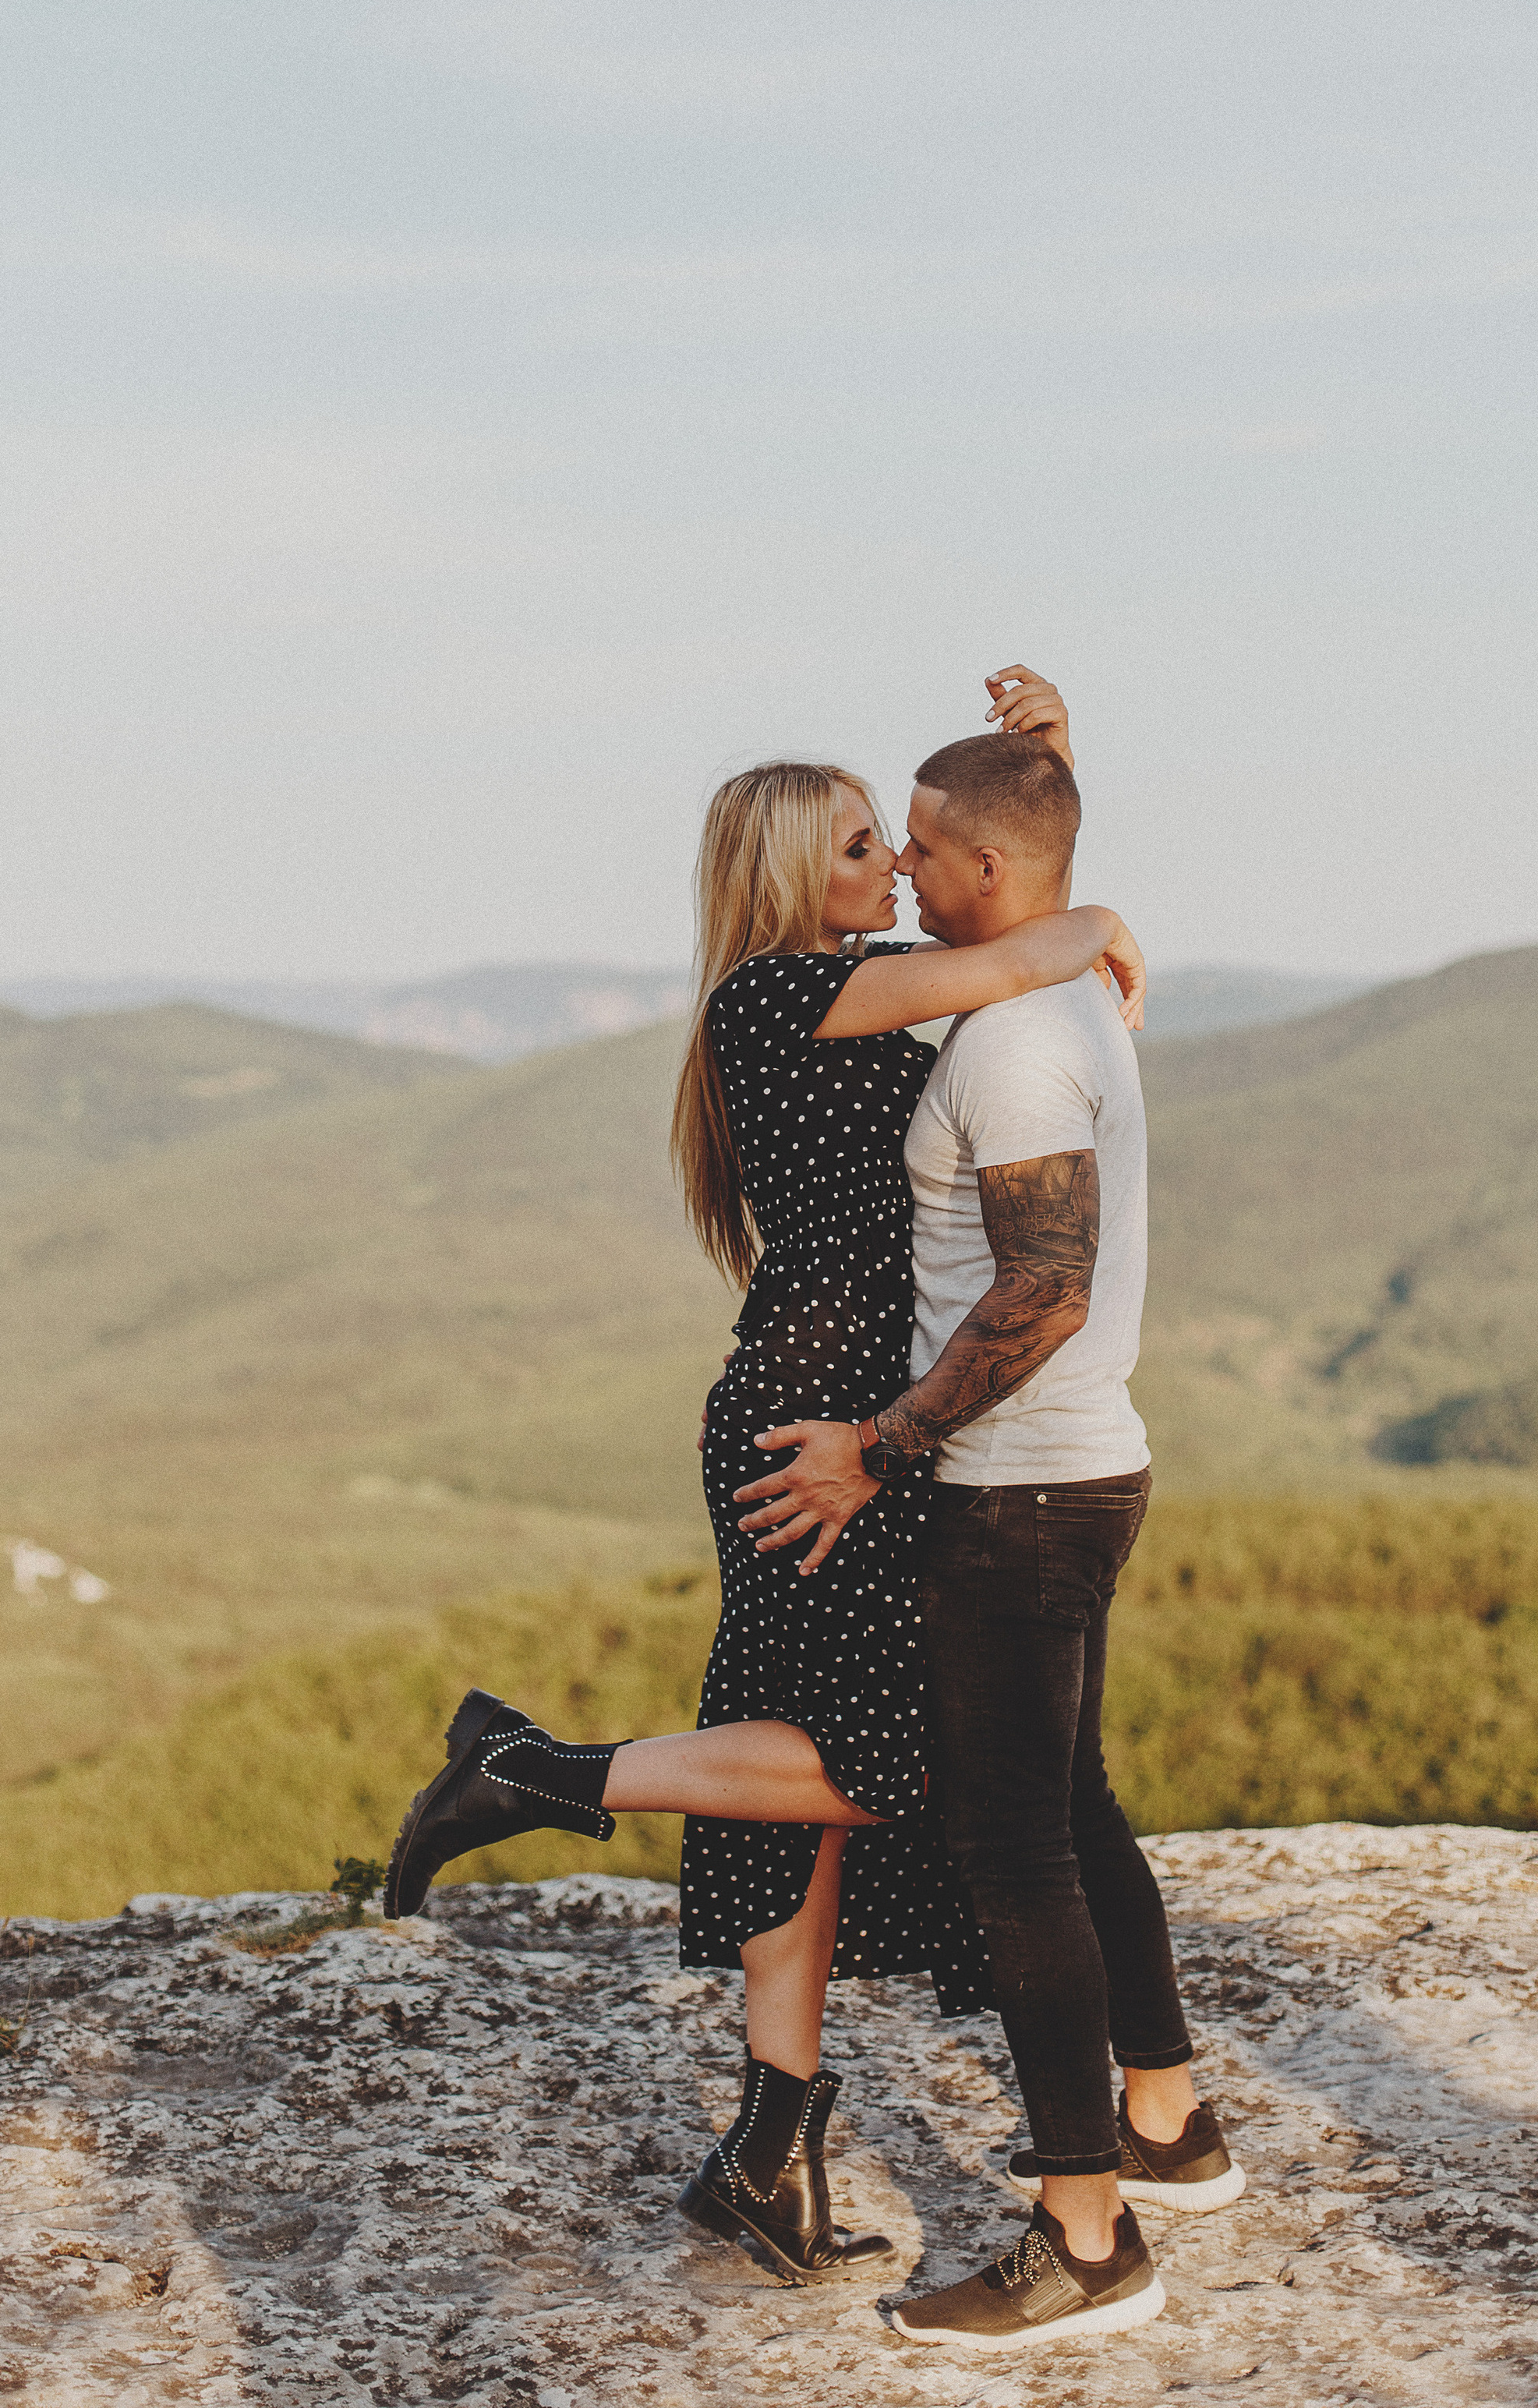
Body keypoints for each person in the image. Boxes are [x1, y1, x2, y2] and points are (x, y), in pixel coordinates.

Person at [381, 670, 1147, 2288]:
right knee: (886, 1766)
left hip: (836, 1404)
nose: (890, 866)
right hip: (823, 1426)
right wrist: (1093, 919)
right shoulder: (778, 994)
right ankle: (532, 1772)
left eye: (897, 843)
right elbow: (1014, 946)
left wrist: (1045, 788)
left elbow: (1001, 902)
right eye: (862, 846)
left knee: (781, 1762)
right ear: (793, 874)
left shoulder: (848, 985)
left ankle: (768, 2151)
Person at [745, 728, 1243, 2355]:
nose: (901, 865)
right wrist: (1054, 772)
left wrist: (879, 1448)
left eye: (918, 845)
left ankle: (1083, 2238)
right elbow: (1035, 846)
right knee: (1074, 1805)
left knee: (1014, 1853)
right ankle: (1167, 2124)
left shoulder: (1015, 1042)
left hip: (1014, 1490)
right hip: (1079, 1475)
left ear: (981, 870)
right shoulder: (1056, 987)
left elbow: (1042, 1289)